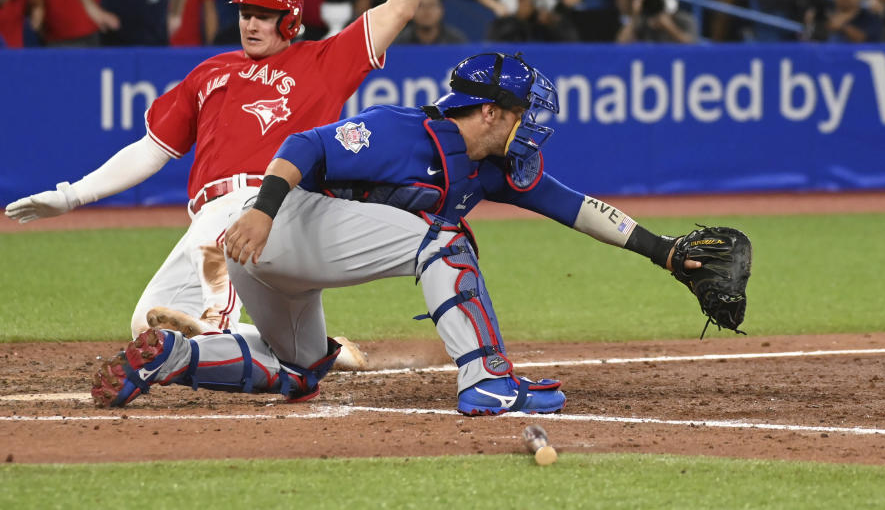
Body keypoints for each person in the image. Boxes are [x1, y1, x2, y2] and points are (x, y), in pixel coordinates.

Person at [88, 52, 718, 415]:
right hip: (273, 226)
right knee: (442, 241)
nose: (531, 126)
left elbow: (574, 207)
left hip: (282, 254)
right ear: (491, 111)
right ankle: (488, 381)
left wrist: (663, 252)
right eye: (523, 113)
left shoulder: (489, 166)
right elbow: (303, 144)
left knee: (300, 369)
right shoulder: (401, 131)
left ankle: (173, 357)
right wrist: (261, 211)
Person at [7, 0, 471, 363]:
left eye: (265, 17)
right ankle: (323, 354)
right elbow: (150, 150)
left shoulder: (322, 62)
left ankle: (216, 323)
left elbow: (399, 7)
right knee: (147, 325)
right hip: (209, 217)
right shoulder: (211, 72)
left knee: (210, 280)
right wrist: (71, 194)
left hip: (273, 209)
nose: (251, 24)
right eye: (247, 13)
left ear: (290, 22)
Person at [486, 0, 579, 42]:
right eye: (533, 0)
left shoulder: (547, 25)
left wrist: (552, 24)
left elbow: (571, 48)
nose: (537, 5)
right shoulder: (503, 24)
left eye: (540, 0)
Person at [395, 0, 467, 45]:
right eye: (420, 5)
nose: (426, 11)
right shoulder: (400, 42)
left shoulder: (456, 41)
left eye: (432, 5)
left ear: (442, 9)